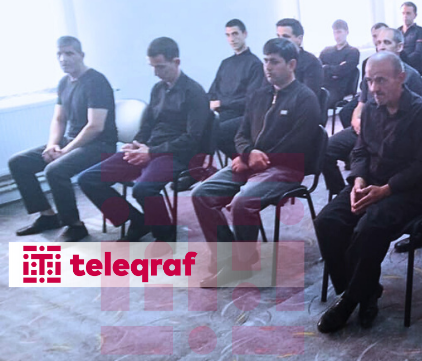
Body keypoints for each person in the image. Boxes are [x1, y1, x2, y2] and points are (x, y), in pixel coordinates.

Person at [313, 52, 422, 333]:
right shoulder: (370, 109)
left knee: (368, 227)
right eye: (369, 81)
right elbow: (360, 151)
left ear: (401, 78)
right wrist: (358, 180)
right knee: (327, 222)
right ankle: (363, 291)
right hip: (370, 183)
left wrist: (386, 190)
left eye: (380, 80)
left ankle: (349, 301)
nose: (373, 88)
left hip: (406, 192)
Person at [193, 38, 321, 286]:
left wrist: (252, 158)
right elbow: (241, 134)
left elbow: (296, 145)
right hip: (251, 163)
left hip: (285, 169)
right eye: (265, 61)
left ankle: (241, 267)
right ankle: (228, 258)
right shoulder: (259, 95)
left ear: (292, 64)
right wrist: (247, 154)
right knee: (202, 194)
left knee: (243, 202)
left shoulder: (305, 98)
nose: (268, 67)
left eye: (274, 62)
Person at [78, 37, 208, 242]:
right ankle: (137, 221)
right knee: (88, 179)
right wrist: (136, 144)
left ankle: (165, 234)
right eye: (152, 67)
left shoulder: (194, 92)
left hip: (177, 154)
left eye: (160, 67)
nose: (155, 72)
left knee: (144, 189)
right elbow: (147, 125)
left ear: (176, 62)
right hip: (150, 149)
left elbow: (192, 139)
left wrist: (151, 152)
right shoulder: (158, 89)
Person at [9, 36, 117, 242]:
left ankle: (75, 225)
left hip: (100, 145)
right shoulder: (64, 83)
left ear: (81, 55)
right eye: (59, 54)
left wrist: (65, 151)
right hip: (73, 142)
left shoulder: (96, 82)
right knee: (18, 162)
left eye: (69, 53)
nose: (63, 59)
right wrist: (52, 145)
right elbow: (59, 119)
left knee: (55, 170)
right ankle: (48, 216)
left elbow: (95, 126)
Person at [321, 27, 422, 199]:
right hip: (365, 127)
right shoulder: (371, 71)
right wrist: (356, 119)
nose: (381, 46)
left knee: (373, 158)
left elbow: (413, 116)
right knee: (325, 149)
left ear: (399, 47)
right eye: (379, 42)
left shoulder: (411, 76)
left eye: (387, 42)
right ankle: (341, 192)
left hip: (390, 133)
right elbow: (361, 103)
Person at [208, 19, 265, 159]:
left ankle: (245, 161)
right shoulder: (225, 63)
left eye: (235, 34)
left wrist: (221, 103)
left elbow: (252, 100)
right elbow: (212, 92)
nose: (232, 39)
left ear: (245, 34)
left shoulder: (255, 64)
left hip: (242, 115)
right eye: (228, 35)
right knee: (195, 128)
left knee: (214, 132)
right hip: (222, 114)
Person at [276, 18, 323, 99]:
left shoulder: (312, 63)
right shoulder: (274, 62)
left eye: (285, 37)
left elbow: (308, 96)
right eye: (278, 36)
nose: (280, 41)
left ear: (299, 39)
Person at [319, 19, 361, 108]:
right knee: (308, 100)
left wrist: (326, 68)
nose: (336, 36)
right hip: (323, 85)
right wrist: (335, 69)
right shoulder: (326, 51)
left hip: (339, 89)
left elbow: (341, 71)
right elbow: (318, 69)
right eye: (334, 33)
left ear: (347, 32)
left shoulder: (353, 52)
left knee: (322, 102)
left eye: (339, 32)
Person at [398, 1, 422, 75]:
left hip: (413, 70)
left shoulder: (421, 32)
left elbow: (418, 54)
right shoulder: (396, 32)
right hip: (397, 67)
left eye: (408, 13)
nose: (405, 16)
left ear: (415, 15)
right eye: (403, 13)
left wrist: (403, 63)